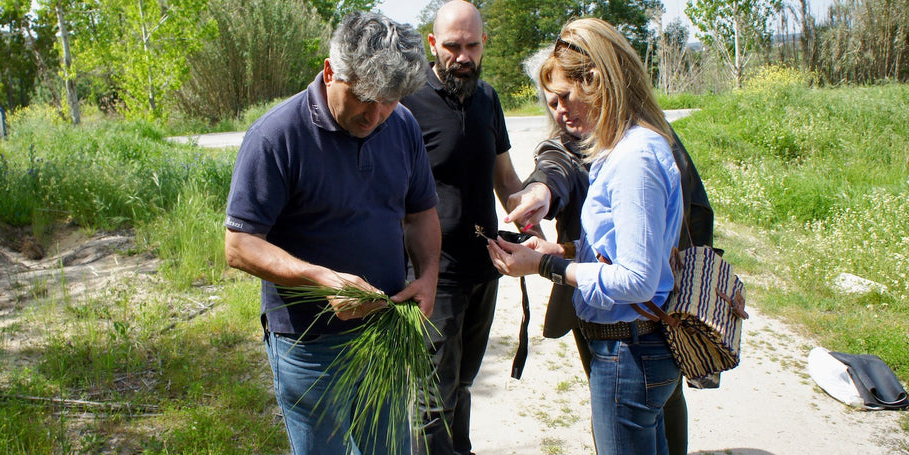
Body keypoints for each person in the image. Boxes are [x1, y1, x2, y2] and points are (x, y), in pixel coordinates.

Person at [223, 11, 441, 455]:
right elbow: (239, 246)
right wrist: (322, 279)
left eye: (390, 101)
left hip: (383, 332)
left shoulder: (401, 127)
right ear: (329, 72)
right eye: (364, 97)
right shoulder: (276, 136)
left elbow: (420, 214)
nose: (376, 115)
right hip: (308, 347)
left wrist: (429, 274)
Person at [507, 45, 719, 455]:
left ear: (597, 81)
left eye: (565, 97)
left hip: (630, 350)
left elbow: (636, 280)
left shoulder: (633, 158)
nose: (559, 112)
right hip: (633, 346)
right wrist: (562, 246)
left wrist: (546, 265)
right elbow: (622, 244)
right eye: (551, 103)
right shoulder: (624, 145)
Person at [398, 2, 522, 454]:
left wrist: (531, 203)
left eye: (472, 45)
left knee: (463, 387)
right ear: (433, 44)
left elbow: (506, 180)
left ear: (483, 43)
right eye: (452, 46)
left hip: (484, 273)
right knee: (431, 404)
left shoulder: (488, 99)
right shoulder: (408, 102)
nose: (463, 57)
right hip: (435, 278)